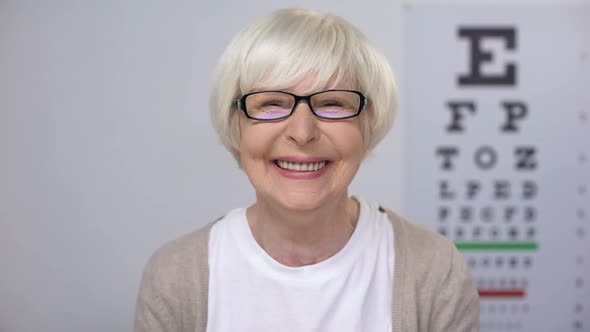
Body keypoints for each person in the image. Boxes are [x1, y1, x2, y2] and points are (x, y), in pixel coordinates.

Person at [134, 8, 479, 332]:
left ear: (368, 126)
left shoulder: (434, 270)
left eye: (332, 103)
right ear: (235, 127)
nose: (302, 132)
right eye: (271, 103)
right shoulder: (177, 278)